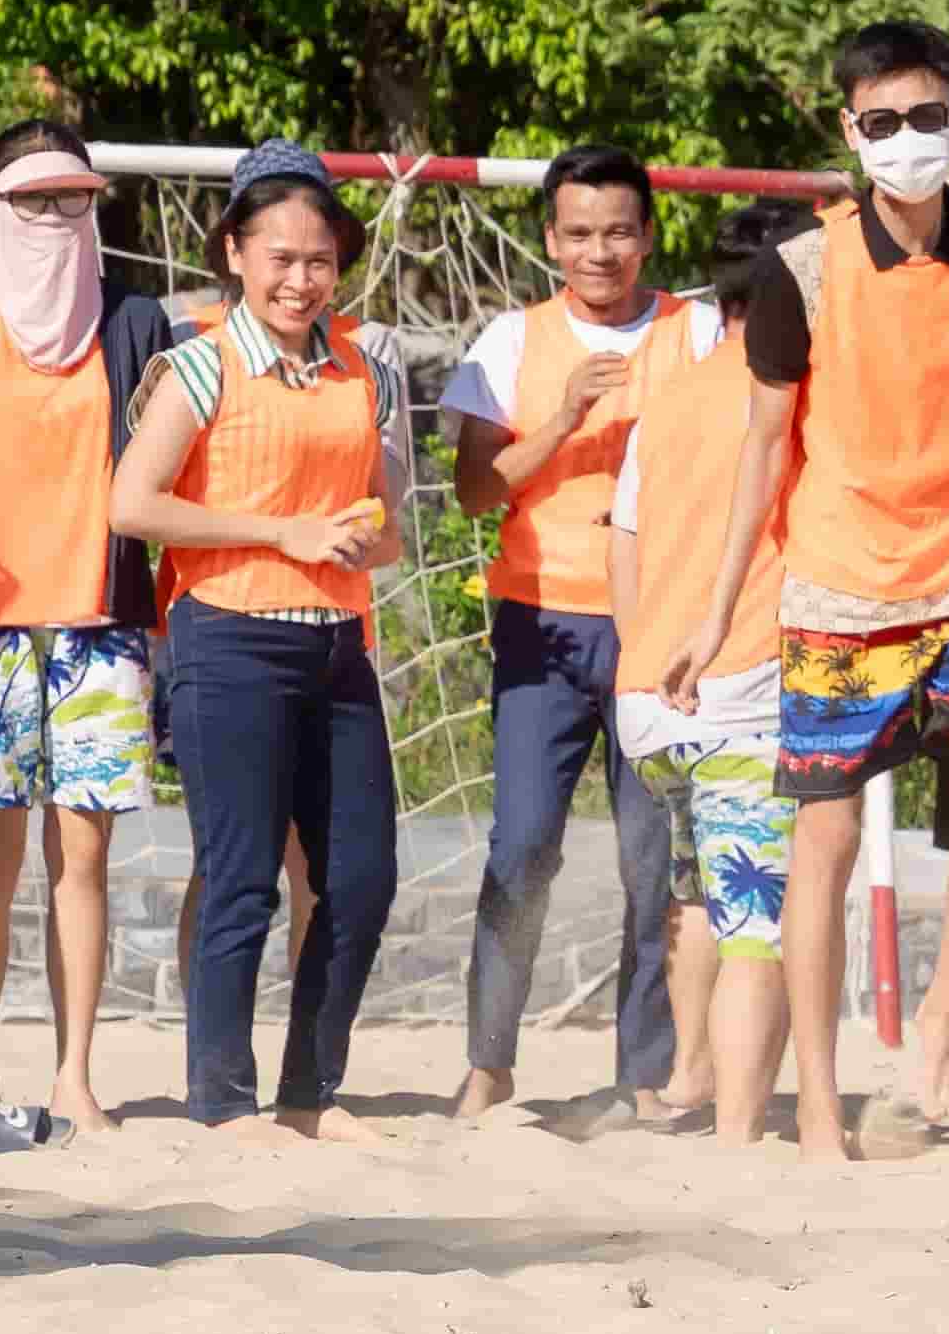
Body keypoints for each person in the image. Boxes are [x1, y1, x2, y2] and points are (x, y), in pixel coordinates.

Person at [675, 21, 949, 1161]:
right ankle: (819, 1109)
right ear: (851, 131)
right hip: (839, 585)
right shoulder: (799, 268)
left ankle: (936, 1023)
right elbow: (762, 449)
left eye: (927, 116)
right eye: (881, 121)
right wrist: (716, 610)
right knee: (825, 842)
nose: (906, 138)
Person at [112, 143, 409, 1137]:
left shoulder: (365, 371)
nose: (300, 279)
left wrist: (360, 533)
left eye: (319, 260)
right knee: (240, 881)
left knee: (361, 881)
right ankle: (224, 1102)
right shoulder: (199, 364)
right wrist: (281, 533)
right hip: (228, 639)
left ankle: (310, 1094)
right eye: (280, 257)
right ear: (235, 253)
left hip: (338, 644)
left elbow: (388, 528)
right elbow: (131, 504)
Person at [0, 121, 179, 1136]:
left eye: (73, 197)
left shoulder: (140, 323)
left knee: (85, 865)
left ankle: (74, 1079)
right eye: (32, 197)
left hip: (105, 629)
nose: (54, 215)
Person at [446, 142, 678, 1123]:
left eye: (618, 232)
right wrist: (565, 416)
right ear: (550, 241)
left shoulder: (697, 333)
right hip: (542, 627)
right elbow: (472, 491)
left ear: (647, 236)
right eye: (579, 234)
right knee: (523, 847)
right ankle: (489, 1063)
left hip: (663, 628)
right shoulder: (512, 340)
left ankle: (648, 1073)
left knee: (654, 861)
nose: (600, 252)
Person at [607, 206, 804, 1143]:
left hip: (648, 694)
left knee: (695, 889)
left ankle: (689, 1073)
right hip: (745, 684)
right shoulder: (795, 396)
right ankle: (737, 1125)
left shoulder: (667, 401)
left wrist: (647, 656)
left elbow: (623, 545)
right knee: (761, 919)